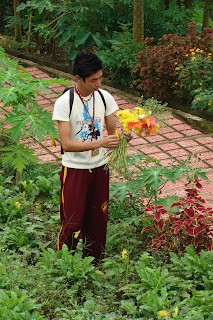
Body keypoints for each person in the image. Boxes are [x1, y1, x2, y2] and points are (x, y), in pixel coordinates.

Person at [52, 50, 121, 264]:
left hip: (100, 168)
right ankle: (66, 264)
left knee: (98, 220)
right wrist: (100, 142)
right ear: (78, 79)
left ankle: (94, 264)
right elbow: (66, 144)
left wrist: (127, 132)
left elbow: (112, 131)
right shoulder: (65, 102)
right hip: (74, 170)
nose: (98, 83)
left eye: (101, 78)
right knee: (72, 222)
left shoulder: (104, 97)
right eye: (93, 80)